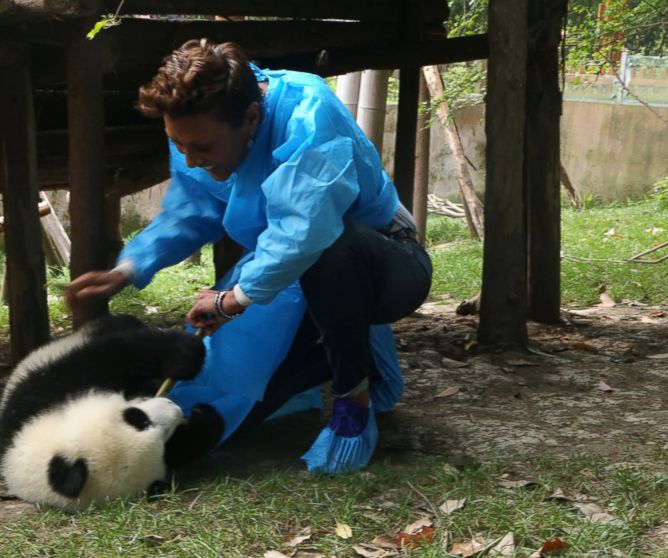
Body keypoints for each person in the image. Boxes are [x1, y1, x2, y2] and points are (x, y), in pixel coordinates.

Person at [67, 39, 432, 474]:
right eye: (178, 146)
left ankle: (352, 402)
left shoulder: (307, 108)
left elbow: (306, 230)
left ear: (252, 118)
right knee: (223, 380)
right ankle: (333, 367)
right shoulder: (193, 132)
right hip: (285, 269)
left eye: (200, 148)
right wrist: (127, 268)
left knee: (327, 248)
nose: (190, 159)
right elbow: (191, 210)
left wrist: (231, 300)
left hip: (386, 263)